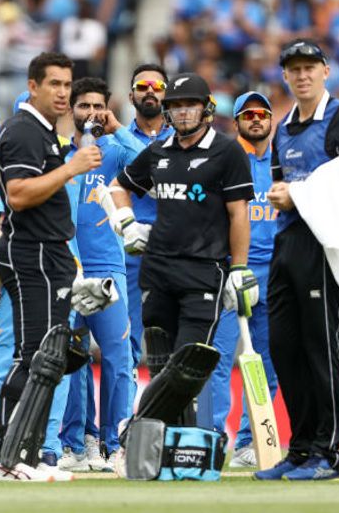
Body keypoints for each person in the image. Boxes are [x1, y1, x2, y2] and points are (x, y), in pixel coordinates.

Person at [255, 39, 339, 482]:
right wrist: (286, 197)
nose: (302, 75)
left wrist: (301, 194)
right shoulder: (283, 127)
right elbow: (283, 192)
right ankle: (301, 446)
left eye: (310, 67)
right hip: (285, 246)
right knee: (284, 350)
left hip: (323, 247)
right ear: (285, 76)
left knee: (319, 349)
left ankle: (327, 453)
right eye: (294, 69)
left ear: (325, 71)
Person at [109, 72, 255, 434]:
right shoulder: (158, 151)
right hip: (158, 271)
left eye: (189, 105)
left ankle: (140, 429)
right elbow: (118, 187)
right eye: (175, 106)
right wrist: (127, 223)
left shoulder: (227, 151)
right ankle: (168, 440)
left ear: (205, 109)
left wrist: (239, 268)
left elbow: (239, 214)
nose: (183, 113)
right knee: (161, 362)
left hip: (205, 271)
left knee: (189, 362)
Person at [0, 52, 102, 482]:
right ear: (32, 86)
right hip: (33, 254)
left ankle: (19, 455)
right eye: (55, 84)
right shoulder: (24, 131)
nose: (64, 93)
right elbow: (17, 194)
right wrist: (70, 168)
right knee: (32, 356)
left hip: (48, 255)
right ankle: (4, 456)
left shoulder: (43, 131)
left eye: (68, 85)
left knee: (43, 356)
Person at [56, 77, 143, 471]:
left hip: (109, 268)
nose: (91, 113)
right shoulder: (58, 156)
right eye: (84, 106)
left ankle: (116, 442)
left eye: (98, 106)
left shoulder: (115, 151)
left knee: (118, 358)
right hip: (66, 270)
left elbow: (151, 163)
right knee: (70, 361)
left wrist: (118, 129)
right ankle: (79, 441)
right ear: (71, 108)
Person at [198, 91, 279, 468]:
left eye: (263, 113)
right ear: (236, 121)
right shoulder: (226, 158)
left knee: (268, 362)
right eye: (249, 114)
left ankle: (250, 440)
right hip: (231, 270)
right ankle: (211, 437)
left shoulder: (282, 162)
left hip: (275, 273)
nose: (256, 119)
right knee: (217, 358)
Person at [122, 63, 174, 405]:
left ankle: (172, 425)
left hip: (173, 248)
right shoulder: (114, 140)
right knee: (125, 342)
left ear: (167, 93)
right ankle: (122, 427)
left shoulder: (185, 139)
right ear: (131, 96)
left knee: (173, 341)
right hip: (128, 250)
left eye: (157, 85)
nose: (150, 91)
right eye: (143, 86)